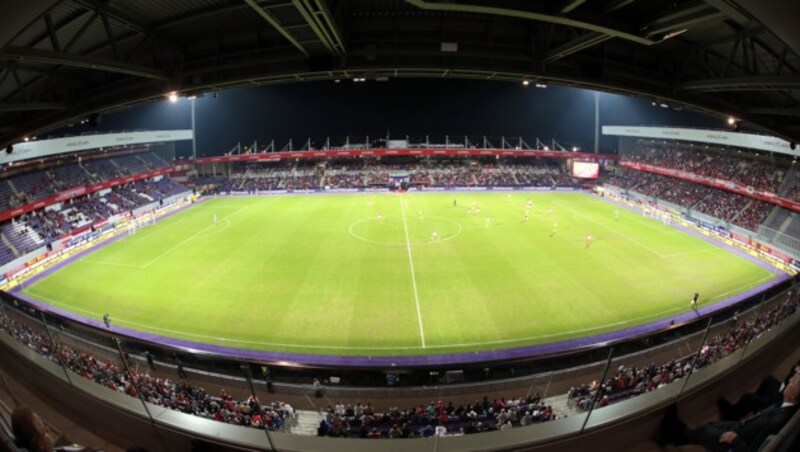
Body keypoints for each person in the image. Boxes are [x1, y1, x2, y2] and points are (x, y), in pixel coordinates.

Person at [660, 372, 800, 450]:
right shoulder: (788, 404)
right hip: (742, 427)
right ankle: (677, 434)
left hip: (737, 442)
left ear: (793, 395)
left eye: (793, 381)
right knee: (710, 426)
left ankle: (674, 431)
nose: (791, 379)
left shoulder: (777, 420)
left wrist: (736, 441)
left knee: (704, 430)